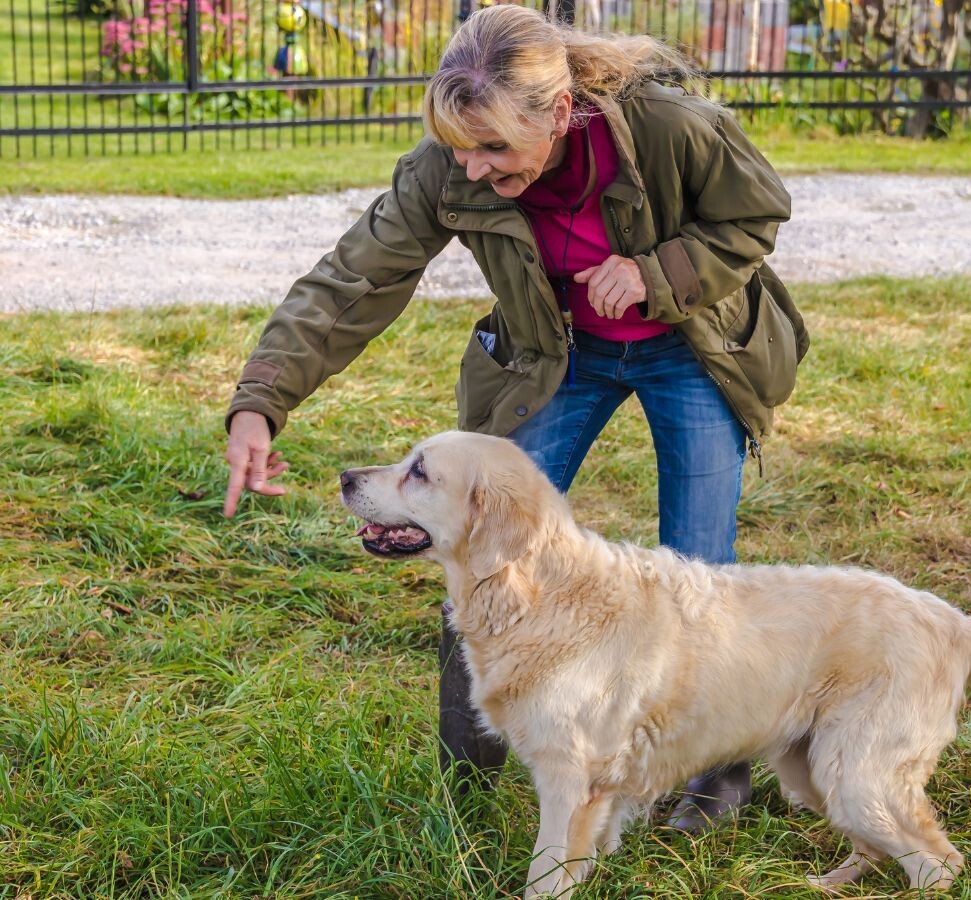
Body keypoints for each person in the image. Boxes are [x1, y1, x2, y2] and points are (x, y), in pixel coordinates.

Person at [222, 3, 808, 833]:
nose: (472, 169)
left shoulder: (669, 126)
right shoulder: (450, 166)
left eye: (495, 148)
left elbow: (756, 214)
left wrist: (653, 272)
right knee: (473, 532)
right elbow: (351, 280)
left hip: (691, 345)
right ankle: (470, 772)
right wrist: (261, 401)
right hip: (555, 356)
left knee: (702, 568)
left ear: (560, 114)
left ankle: (714, 780)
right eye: (460, 146)